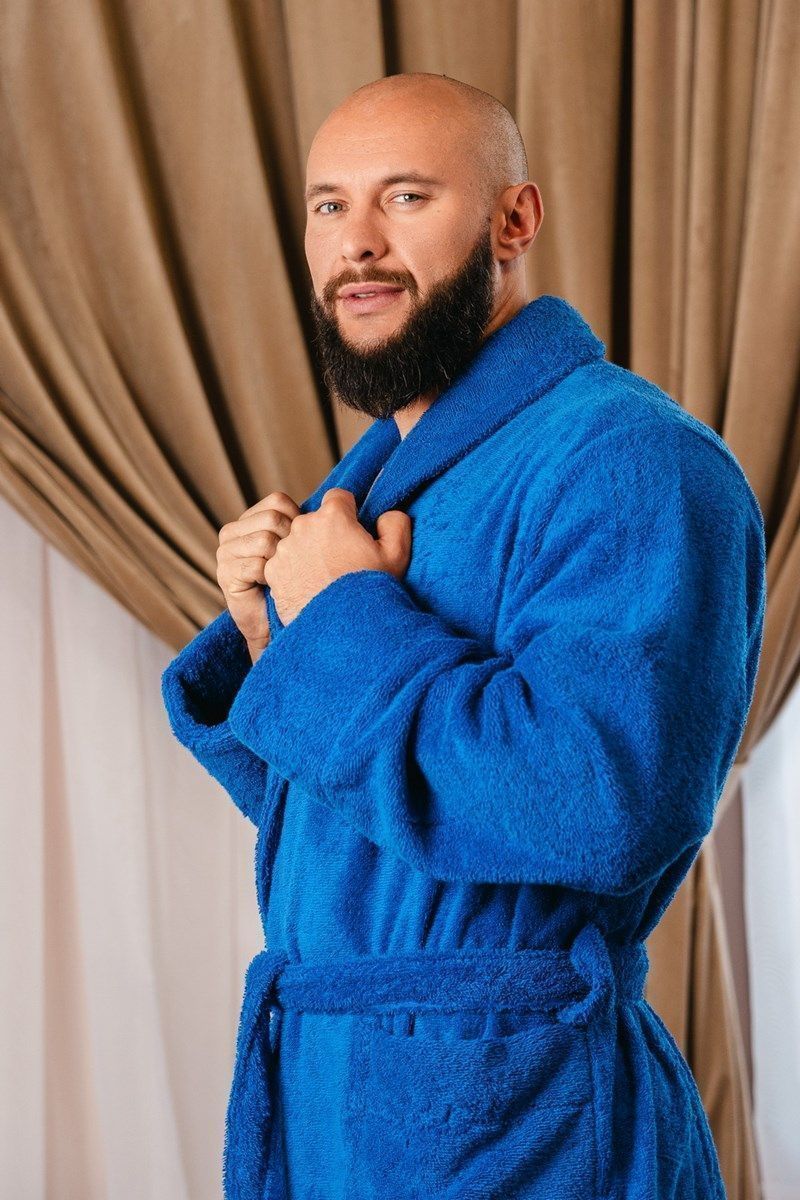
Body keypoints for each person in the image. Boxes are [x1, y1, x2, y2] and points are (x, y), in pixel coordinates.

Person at [161, 72, 766, 1200]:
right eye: (329, 205)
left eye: (405, 197)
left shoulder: (633, 460)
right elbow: (382, 839)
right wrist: (274, 645)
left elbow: (604, 803)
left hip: (517, 1121)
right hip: (345, 1105)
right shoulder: (397, 479)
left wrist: (343, 618)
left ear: (513, 221)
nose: (357, 242)